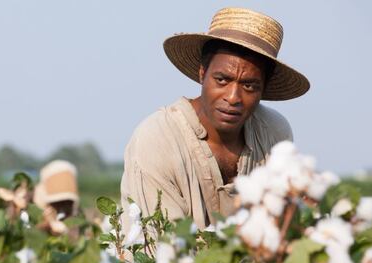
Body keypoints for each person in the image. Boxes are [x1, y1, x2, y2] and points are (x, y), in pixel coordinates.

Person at [120, 7, 310, 232]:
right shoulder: (157, 139)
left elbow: (281, 226)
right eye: (222, 80)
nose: (233, 97)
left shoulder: (273, 133)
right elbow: (160, 251)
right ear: (203, 74)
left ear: (264, 88)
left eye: (249, 85)